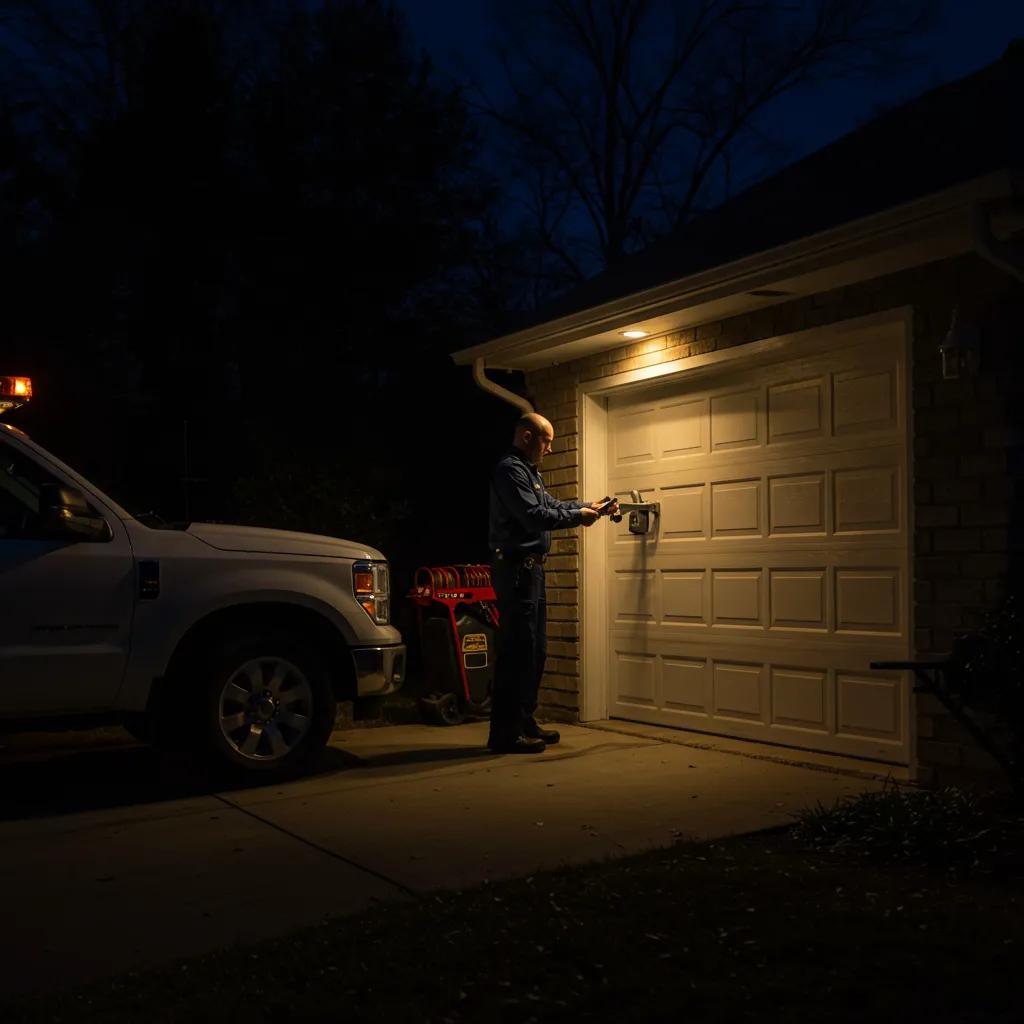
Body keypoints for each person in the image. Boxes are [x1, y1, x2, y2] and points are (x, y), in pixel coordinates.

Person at [487, 412, 617, 754]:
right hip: (516, 570)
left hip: (532, 572)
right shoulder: (510, 470)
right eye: (546, 441)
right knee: (516, 652)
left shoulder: (529, 472)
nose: (549, 448)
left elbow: (550, 505)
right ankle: (504, 734)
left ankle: (524, 721)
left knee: (536, 651)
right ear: (527, 436)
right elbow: (533, 516)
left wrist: (589, 506)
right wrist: (577, 517)